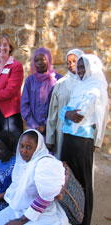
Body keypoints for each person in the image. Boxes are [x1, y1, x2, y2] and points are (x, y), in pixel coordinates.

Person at [60, 54, 108, 225]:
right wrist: (67, 113)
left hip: (81, 141)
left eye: (83, 67)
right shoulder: (80, 86)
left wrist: (68, 113)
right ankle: (70, 215)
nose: (79, 70)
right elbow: (64, 111)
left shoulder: (96, 86)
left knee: (83, 180)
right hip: (69, 137)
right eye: (79, 67)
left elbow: (80, 114)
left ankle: (84, 219)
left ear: (92, 67)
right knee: (66, 177)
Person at [0, 129, 70, 225]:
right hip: (23, 209)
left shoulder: (45, 163)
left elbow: (46, 197)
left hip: (43, 213)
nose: (23, 151)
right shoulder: (23, 163)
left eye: (29, 147)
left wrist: (21, 220)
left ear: (38, 148)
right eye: (22, 146)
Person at [46, 49, 84, 158]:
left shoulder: (88, 84)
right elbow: (53, 113)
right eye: (68, 62)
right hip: (62, 133)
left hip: (82, 133)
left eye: (74, 61)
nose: (71, 65)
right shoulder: (60, 84)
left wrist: (97, 140)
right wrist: (50, 138)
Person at [21, 47, 62, 137]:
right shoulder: (30, 80)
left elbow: (60, 105)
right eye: (36, 60)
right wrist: (35, 125)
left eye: (43, 59)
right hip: (34, 129)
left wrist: (47, 125)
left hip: (52, 128)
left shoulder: (58, 79)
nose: (39, 63)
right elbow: (24, 105)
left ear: (49, 60)